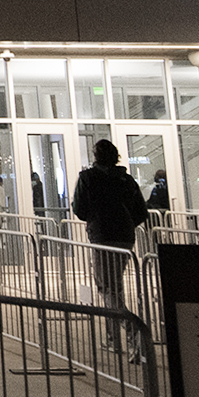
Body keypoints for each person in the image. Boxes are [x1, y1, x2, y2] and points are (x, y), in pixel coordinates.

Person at [69, 138, 150, 354]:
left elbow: (79, 208)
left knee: (106, 288)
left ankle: (134, 332)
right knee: (115, 287)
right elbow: (142, 211)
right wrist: (126, 222)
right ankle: (113, 339)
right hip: (124, 236)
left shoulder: (88, 178)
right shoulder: (126, 179)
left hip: (102, 236)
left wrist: (96, 219)